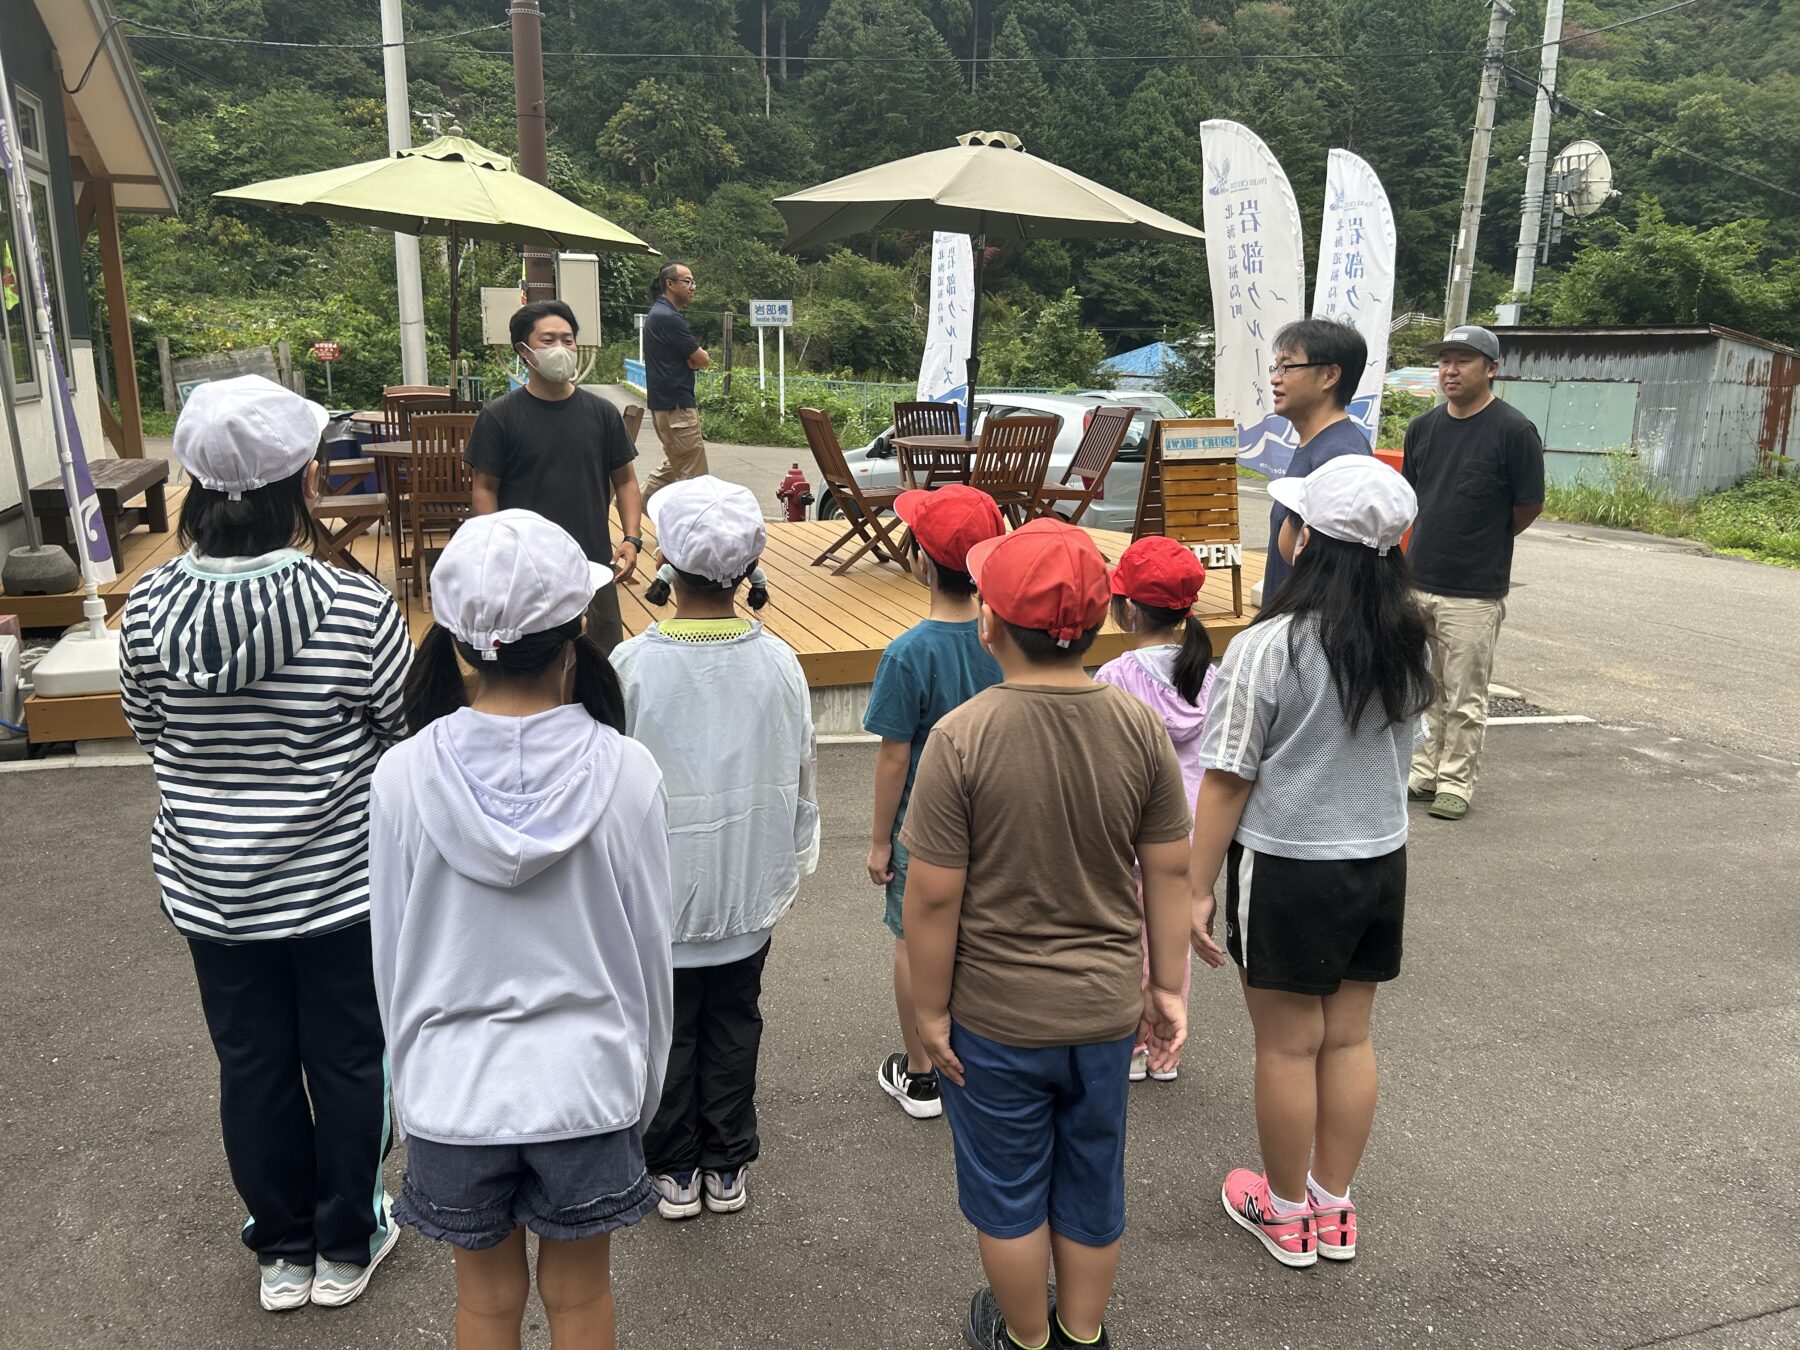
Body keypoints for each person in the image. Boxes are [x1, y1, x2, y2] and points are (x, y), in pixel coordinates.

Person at [118, 374, 410, 1313]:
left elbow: (146, 725)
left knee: (250, 1065)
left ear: (193, 489)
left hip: (211, 892)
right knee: (349, 1059)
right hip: (335, 888)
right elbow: (400, 726)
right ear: (301, 484)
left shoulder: (149, 609)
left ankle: (282, 1251)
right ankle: (347, 1239)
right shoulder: (353, 605)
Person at [369, 511, 672, 1350]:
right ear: (578, 627)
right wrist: (639, 1092)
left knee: (486, 1302)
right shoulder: (627, 771)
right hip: (588, 1084)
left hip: (452, 1090)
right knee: (580, 1299)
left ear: (458, 645)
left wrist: (410, 1086)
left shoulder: (402, 777)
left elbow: (391, 958)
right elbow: (651, 957)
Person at [902, 518, 1202, 1350]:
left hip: (994, 1016)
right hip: (1104, 1010)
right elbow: (1168, 873)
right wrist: (1166, 985)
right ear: (1101, 622)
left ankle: (1025, 1338)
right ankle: (1083, 1332)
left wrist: (930, 1014)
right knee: (1090, 1180)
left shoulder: (963, 737)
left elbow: (931, 901)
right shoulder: (1137, 727)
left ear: (991, 625)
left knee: (1008, 1189)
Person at [1190, 454, 1433, 1269]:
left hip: (1289, 866)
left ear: (1302, 543)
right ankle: (1334, 1209)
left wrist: (1195, 888)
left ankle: (1283, 1210)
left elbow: (1226, 780)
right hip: (1379, 861)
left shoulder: (1269, 646)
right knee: (1350, 1039)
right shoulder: (1413, 640)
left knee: (1288, 1046)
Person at [611, 475, 819, 1222]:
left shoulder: (631, 665)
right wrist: (794, 853)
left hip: (655, 900)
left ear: (668, 561)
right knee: (735, 1021)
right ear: (748, 568)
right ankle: (726, 1163)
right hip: (745, 894)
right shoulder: (781, 663)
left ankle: (671, 1168)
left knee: (664, 1033)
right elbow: (800, 774)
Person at [864, 486, 1005, 1120]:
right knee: (983, 935)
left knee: (912, 937)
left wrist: (877, 839)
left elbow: (895, 755)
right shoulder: (1002, 639)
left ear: (921, 561)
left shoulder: (907, 653)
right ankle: (981, 1054)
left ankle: (921, 1071)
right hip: (997, 820)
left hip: (924, 827)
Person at [1402, 324, 1545, 821]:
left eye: (1463, 360)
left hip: (1474, 589)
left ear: (1491, 368)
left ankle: (1456, 782)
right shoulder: (1422, 428)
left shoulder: (1514, 430)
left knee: (1464, 694)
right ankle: (1422, 772)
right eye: (1445, 360)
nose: (1450, 369)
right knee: (1422, 689)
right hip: (1418, 578)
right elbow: (1413, 499)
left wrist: (1482, 538)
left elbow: (1527, 507)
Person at [1094, 535, 1219, 1085]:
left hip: (1132, 835)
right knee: (1171, 945)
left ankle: (1130, 1047)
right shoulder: (1211, 678)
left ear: (1125, 609)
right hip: (1191, 838)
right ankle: (1167, 1043)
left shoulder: (1115, 679)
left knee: (1125, 940)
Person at [466, 299, 644, 656]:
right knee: (530, 665)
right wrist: (494, 551)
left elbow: (625, 481)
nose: (561, 348)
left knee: (601, 663)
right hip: (524, 570)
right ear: (524, 350)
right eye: (548, 340)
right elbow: (484, 488)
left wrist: (632, 537)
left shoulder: (602, 414)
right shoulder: (499, 416)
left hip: (593, 564)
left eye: (568, 339)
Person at [1262, 317, 1374, 601]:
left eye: (1287, 366)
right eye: (1276, 367)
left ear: (1329, 376)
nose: (1276, 377)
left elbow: (1337, 576)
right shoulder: (1317, 444)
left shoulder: (1339, 457)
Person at [641, 262, 711, 501]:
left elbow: (694, 358)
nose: (693, 287)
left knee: (672, 468)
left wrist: (692, 358)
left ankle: (626, 508)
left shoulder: (659, 313)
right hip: (677, 409)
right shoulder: (668, 317)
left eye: (693, 281)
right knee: (694, 479)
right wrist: (693, 359)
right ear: (669, 284)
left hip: (667, 408)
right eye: (688, 281)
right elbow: (702, 358)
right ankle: (694, 534)